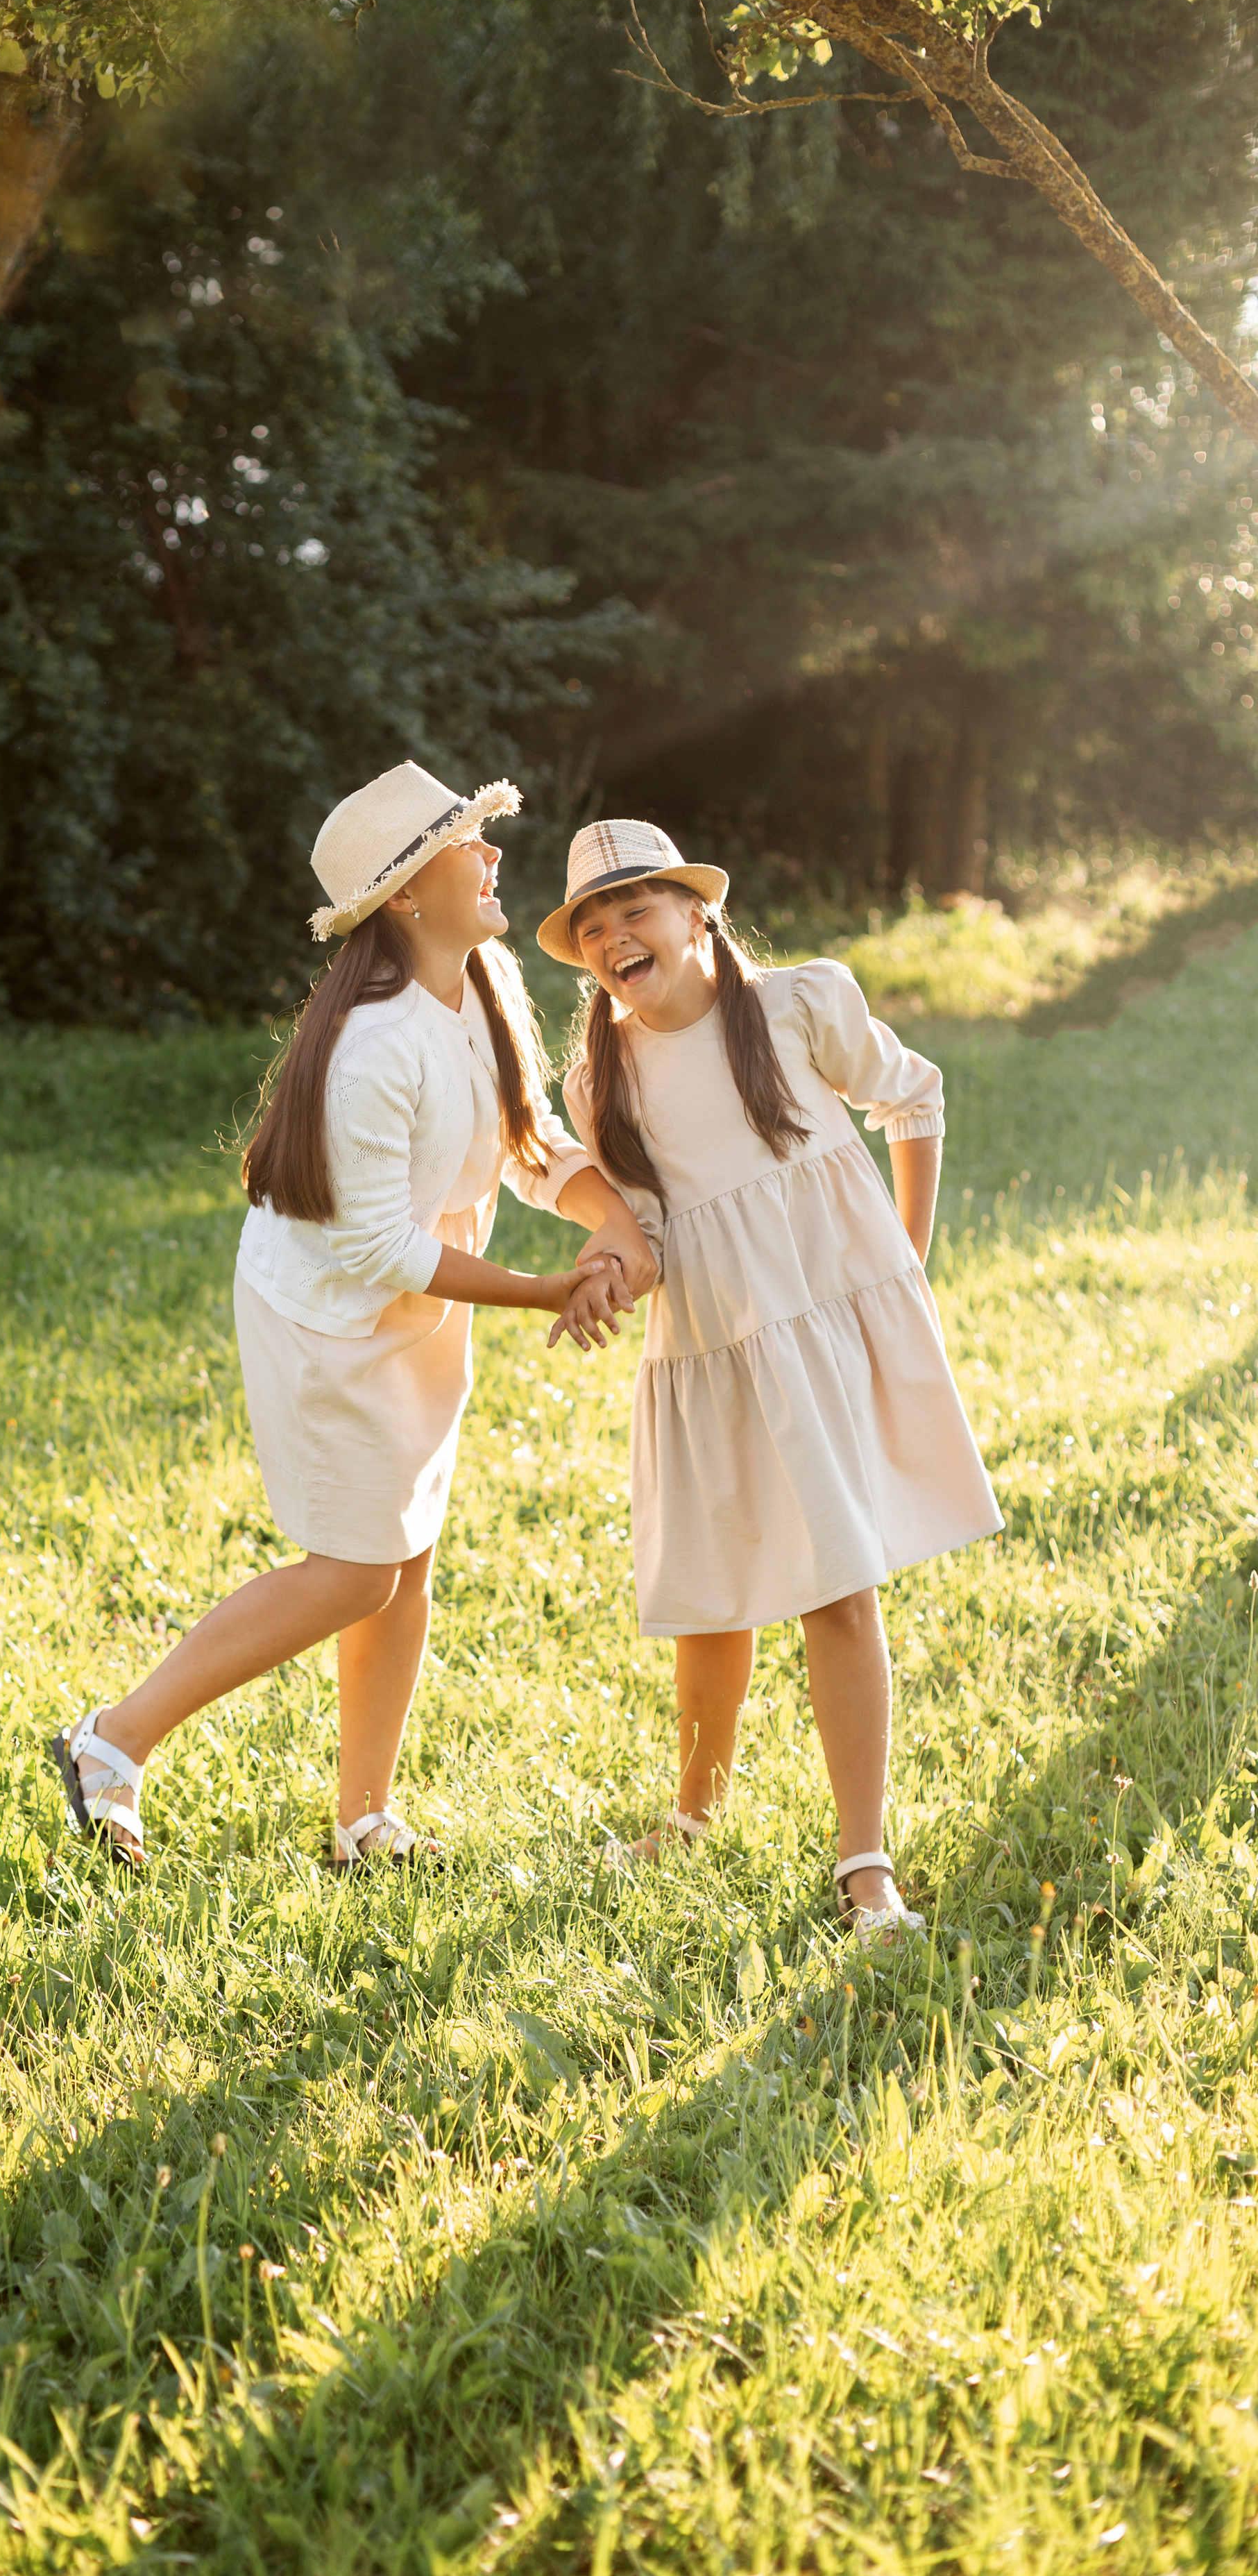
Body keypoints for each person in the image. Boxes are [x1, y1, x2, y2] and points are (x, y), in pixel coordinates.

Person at [52, 763, 657, 1873]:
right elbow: (377, 1248)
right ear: (405, 899)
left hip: (418, 1316)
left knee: (405, 1558)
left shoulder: (477, 984)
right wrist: (544, 1292)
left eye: (482, 836)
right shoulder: (374, 1043)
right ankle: (113, 1738)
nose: (492, 856)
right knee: (355, 1569)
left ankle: (364, 1821)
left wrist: (611, 1224)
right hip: (329, 1322)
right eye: (467, 845)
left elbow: (528, 1147)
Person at [538, 818, 1002, 1943]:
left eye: (634, 912)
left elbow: (916, 1094)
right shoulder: (602, 1074)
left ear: (699, 914)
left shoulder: (800, 1006)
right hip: (710, 1349)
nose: (612, 939)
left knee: (837, 1584)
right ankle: (695, 1813)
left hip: (822, 1332)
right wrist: (599, 1275)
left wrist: (905, 1258)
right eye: (592, 928)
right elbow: (639, 1234)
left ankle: (865, 1861)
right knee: (715, 1586)